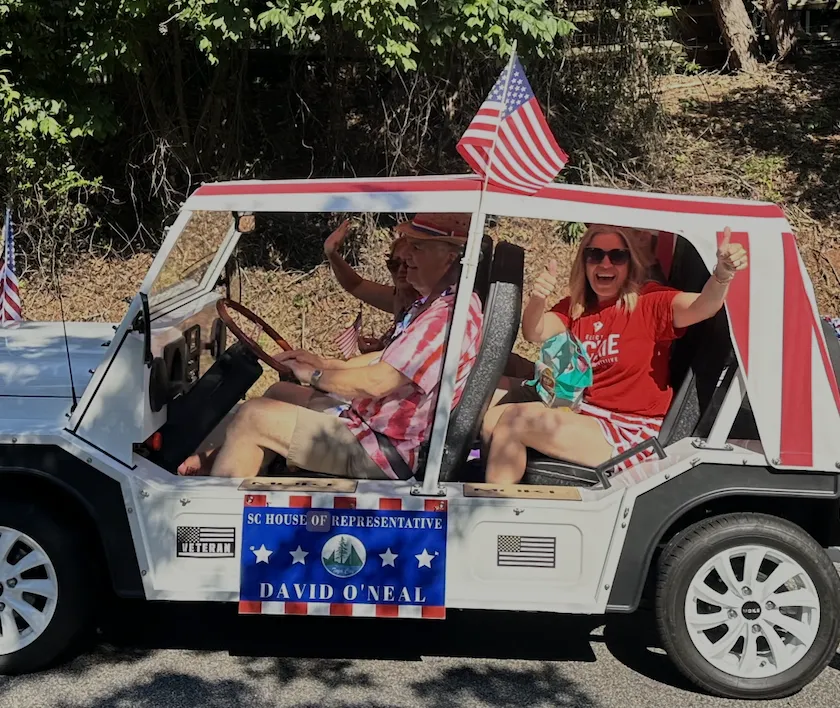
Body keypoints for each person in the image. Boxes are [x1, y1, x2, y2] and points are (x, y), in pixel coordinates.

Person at [177, 213, 483, 480]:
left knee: (252, 416)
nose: (408, 258)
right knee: (280, 392)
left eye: (417, 248)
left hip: (382, 449)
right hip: (368, 424)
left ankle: (215, 510)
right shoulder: (431, 306)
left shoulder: (444, 319)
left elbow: (379, 381)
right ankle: (222, 463)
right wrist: (323, 364)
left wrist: (315, 376)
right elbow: (384, 360)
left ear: (450, 257)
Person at [481, 223, 747, 485]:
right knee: (492, 419)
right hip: (585, 411)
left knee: (514, 422)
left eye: (617, 256)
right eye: (595, 255)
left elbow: (704, 306)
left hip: (630, 428)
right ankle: (496, 491)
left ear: (631, 263)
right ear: (584, 262)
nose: (605, 264)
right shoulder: (579, 306)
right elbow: (534, 331)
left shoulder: (649, 302)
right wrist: (538, 299)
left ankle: (498, 507)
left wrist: (722, 275)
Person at [324, 219, 420, 354]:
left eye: (408, 263)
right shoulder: (399, 297)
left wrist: (381, 353)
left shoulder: (434, 303)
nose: (400, 270)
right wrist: (332, 253)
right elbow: (356, 285)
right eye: (394, 264)